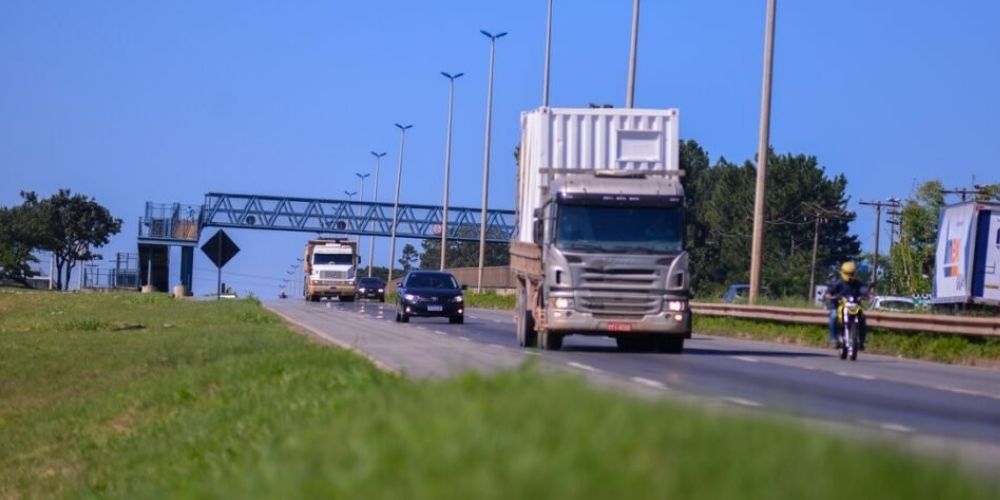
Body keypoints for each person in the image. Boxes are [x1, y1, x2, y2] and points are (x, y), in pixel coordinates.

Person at [823, 261, 869, 350]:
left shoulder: (857, 283)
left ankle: (861, 341)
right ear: (843, 272)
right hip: (838, 305)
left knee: (862, 318)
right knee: (833, 316)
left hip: (854, 305)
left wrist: (867, 294)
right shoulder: (837, 283)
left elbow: (864, 289)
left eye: (852, 273)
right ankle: (833, 339)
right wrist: (829, 295)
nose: (850, 275)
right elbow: (829, 291)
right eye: (848, 273)